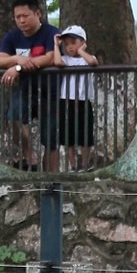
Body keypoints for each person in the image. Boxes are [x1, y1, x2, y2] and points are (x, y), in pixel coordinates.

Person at [0, 0, 59, 169]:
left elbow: (51, 58)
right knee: (12, 116)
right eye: (17, 17)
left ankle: (52, 179)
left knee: (51, 138)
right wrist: (16, 59)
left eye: (25, 16)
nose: (21, 20)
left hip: (50, 90)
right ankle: (30, 154)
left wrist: (18, 68)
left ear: (38, 14)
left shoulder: (52, 32)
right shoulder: (12, 36)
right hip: (24, 89)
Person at [46, 25, 99, 171]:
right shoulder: (65, 59)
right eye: (67, 43)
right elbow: (57, 63)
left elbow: (93, 63)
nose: (69, 47)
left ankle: (85, 164)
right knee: (68, 135)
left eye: (73, 43)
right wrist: (56, 46)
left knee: (85, 135)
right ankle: (74, 165)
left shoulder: (87, 59)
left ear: (83, 42)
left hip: (83, 101)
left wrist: (81, 51)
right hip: (66, 101)